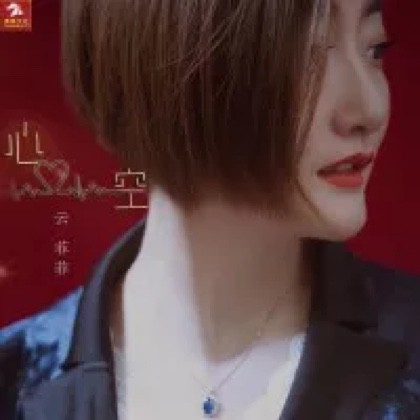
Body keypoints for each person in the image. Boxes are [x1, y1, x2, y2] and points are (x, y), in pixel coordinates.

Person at [1, 0, 420, 418]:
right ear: (169, 63)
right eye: (307, 55)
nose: (369, 109)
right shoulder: (15, 380)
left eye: (374, 49)